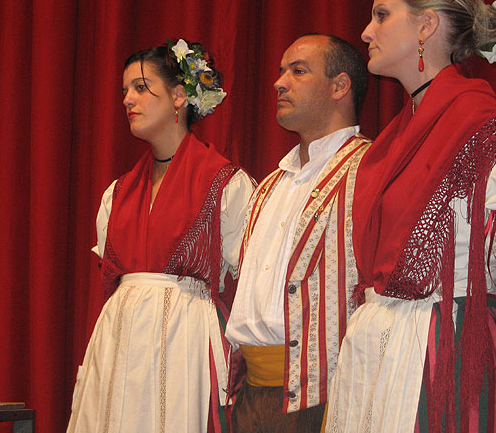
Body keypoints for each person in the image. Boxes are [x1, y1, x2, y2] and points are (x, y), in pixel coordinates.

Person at [325, 0, 496, 433]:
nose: (365, 31)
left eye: (381, 15)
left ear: (426, 25)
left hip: (443, 354)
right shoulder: (393, 141)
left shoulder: (483, 128)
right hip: (381, 350)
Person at [67, 39, 255, 433]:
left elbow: (247, 283)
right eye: (124, 91)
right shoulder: (117, 193)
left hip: (183, 342)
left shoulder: (225, 183)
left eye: (140, 87)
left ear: (179, 96)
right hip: (119, 342)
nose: (127, 100)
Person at [224, 33, 371, 432]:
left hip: (327, 396)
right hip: (251, 396)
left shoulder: (370, 170)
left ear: (340, 85)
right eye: (281, 70)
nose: (279, 81)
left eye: (298, 70)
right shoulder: (269, 185)